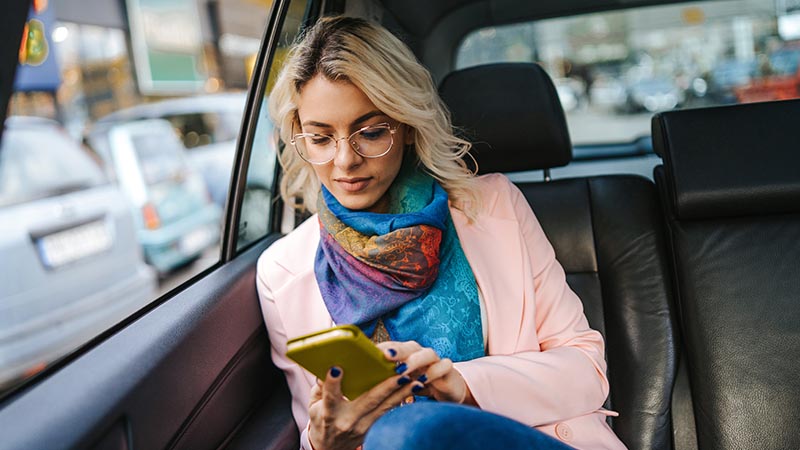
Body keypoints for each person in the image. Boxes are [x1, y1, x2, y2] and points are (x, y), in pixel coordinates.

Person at [256, 16, 626, 450]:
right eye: (320, 139)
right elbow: (317, 424)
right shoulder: (282, 273)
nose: (345, 161)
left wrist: (460, 385)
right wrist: (323, 443)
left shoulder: (493, 206)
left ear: (408, 126)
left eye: (371, 133)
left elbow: (585, 370)